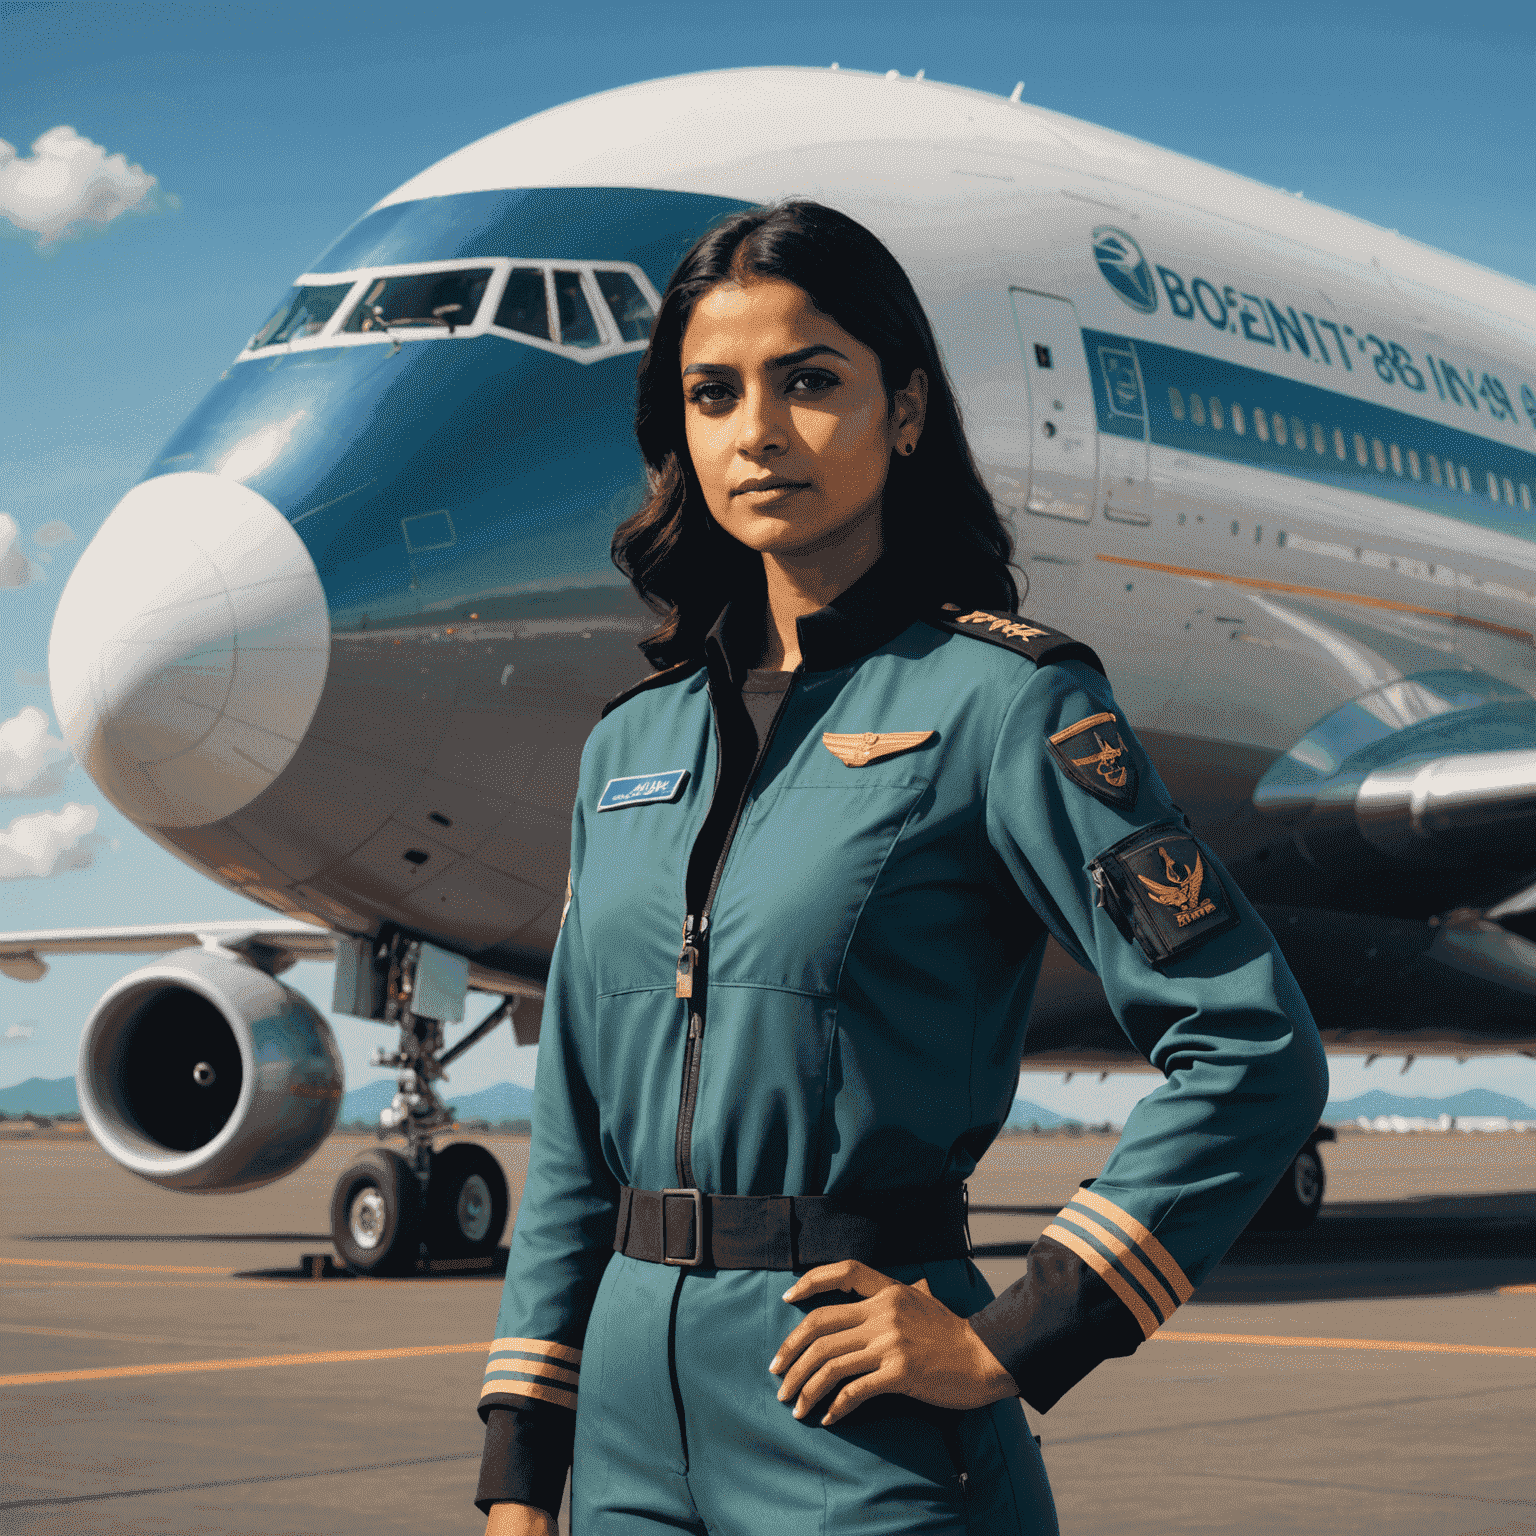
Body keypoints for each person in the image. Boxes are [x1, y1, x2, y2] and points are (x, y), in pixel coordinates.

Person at [474, 201, 1328, 1534]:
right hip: (628, 1443)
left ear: (908, 410)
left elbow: (1250, 1048)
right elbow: (579, 1129)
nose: (759, 432)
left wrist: (1020, 1330)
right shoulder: (626, 750)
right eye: (714, 394)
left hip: (862, 1425)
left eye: (810, 381)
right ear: (680, 434)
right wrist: (524, 1450)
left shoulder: (1009, 705)